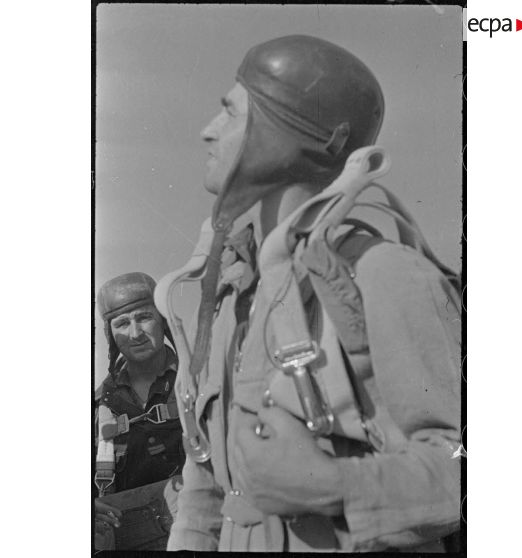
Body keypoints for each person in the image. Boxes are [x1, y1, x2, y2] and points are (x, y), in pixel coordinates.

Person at [166, 35, 461, 552]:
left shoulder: (383, 273)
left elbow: (461, 463)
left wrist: (333, 485)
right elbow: (206, 484)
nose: (207, 130)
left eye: (230, 113)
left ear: (287, 133)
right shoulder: (235, 295)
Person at [94, 272, 185, 550]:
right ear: (111, 334)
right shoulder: (98, 406)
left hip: (199, 530)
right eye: (122, 323)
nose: (135, 334)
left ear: (162, 320)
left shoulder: (199, 382)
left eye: (144, 317)